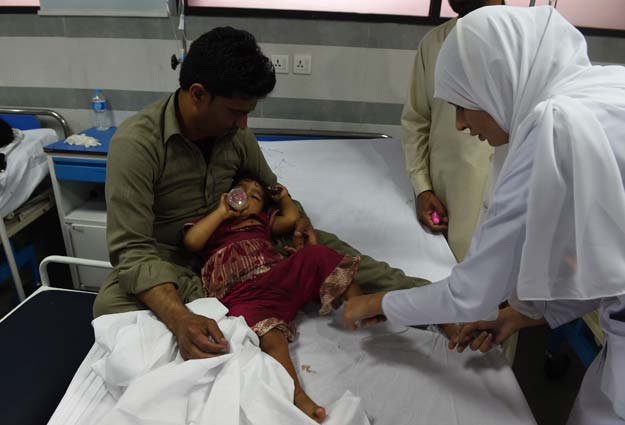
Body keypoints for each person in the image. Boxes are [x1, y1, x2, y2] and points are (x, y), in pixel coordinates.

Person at [343, 6, 625, 424]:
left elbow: (469, 294)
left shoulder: (553, 128)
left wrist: (379, 301)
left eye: (462, 105)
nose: (458, 124)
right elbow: (609, 260)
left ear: (499, 82)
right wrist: (519, 316)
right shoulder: (608, 87)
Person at [93, 27, 426, 363]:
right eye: (235, 112)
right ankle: (225, 299)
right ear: (198, 94)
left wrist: (300, 220)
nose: (243, 124)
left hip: (243, 243)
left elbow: (274, 191)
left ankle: (436, 305)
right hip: (174, 258)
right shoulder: (137, 145)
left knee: (331, 252)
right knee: (108, 305)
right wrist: (179, 318)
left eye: (247, 112)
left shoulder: (236, 135)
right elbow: (131, 250)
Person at [184, 177, 361, 422]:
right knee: (269, 335)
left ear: (263, 208)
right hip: (244, 293)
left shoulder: (260, 222)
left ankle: (360, 304)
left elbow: (290, 219)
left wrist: (284, 198)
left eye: (255, 197)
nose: (245, 196)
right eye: (240, 191)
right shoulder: (214, 225)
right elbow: (192, 241)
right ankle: (297, 394)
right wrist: (221, 213)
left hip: (276, 276)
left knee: (316, 255)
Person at [401, 0, 502, 261]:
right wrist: (423, 188)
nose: (461, 123)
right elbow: (416, 121)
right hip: (448, 202)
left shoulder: (522, 46)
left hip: (505, 195)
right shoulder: (435, 44)